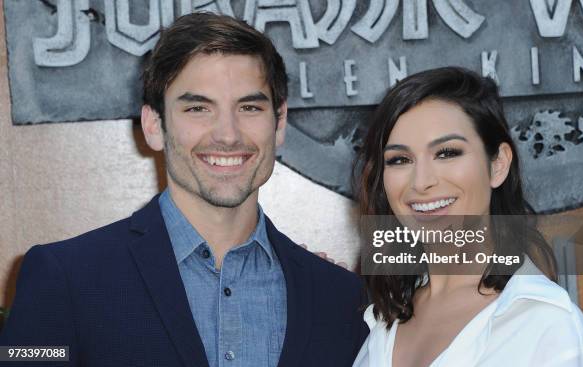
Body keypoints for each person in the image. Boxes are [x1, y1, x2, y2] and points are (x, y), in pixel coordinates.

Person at [0, 13, 368, 367]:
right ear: (154, 125)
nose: (227, 134)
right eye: (198, 108)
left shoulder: (340, 296)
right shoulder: (65, 279)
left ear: (280, 123)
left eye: (249, 107)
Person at [352, 67, 583, 366]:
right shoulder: (382, 321)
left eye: (447, 152)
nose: (420, 182)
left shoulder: (549, 327)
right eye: (400, 159)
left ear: (497, 165)